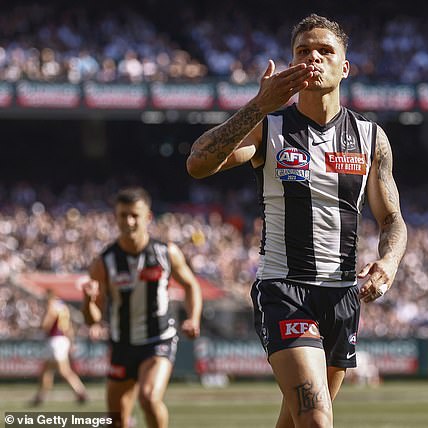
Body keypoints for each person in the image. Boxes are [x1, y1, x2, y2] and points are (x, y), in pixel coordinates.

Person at [187, 13, 407, 428]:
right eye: (303, 51)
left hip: (343, 295)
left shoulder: (370, 137)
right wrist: (257, 105)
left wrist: (389, 263)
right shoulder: (268, 127)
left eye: (325, 51)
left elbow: (392, 218)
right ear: (291, 63)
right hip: (284, 289)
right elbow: (198, 163)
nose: (313, 58)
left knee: (294, 420)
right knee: (317, 418)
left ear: (344, 67)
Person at [82, 187, 202, 428]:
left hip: (159, 339)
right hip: (122, 345)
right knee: (116, 420)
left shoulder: (166, 252)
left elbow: (191, 285)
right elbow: (92, 319)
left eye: (134, 215)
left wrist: (193, 318)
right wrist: (87, 300)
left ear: (147, 217)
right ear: (115, 218)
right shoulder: (103, 262)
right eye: (123, 215)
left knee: (148, 398)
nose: (128, 221)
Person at [31, 289, 87, 406]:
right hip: (62, 340)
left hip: (55, 341)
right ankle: (40, 396)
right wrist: (71, 342)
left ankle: (80, 392)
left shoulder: (52, 306)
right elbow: (69, 327)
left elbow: (46, 324)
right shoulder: (63, 307)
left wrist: (40, 326)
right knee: (46, 370)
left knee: (64, 371)